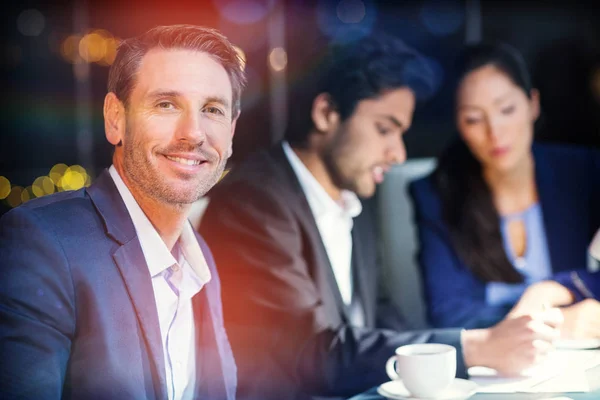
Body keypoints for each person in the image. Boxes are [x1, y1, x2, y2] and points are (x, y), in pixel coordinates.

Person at [199, 35, 561, 400]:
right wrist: (476, 347)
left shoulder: (353, 200)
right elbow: (310, 352)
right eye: (385, 129)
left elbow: (386, 321)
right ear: (326, 114)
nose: (398, 153)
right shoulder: (252, 202)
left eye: (401, 134)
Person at [0, 24, 246, 399]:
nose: (193, 133)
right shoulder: (43, 243)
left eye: (212, 109)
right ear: (116, 118)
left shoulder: (202, 260)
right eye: (166, 104)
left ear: (230, 133)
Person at [409, 42, 600, 333]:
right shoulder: (436, 193)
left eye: (507, 110)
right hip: (494, 366)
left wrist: (550, 290)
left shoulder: (582, 171)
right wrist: (550, 321)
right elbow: (449, 315)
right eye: (473, 119)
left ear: (533, 104)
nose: (494, 132)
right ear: (458, 125)